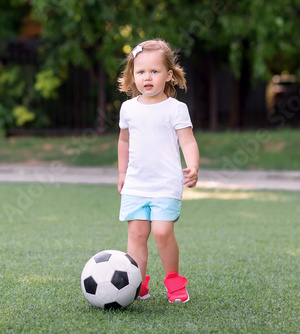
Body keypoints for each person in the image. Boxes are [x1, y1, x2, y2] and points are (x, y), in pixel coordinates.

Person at [117, 39, 199, 303]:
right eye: (140, 72)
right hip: (136, 184)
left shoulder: (176, 109)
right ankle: (137, 283)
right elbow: (124, 141)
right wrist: (122, 173)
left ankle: (174, 280)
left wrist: (193, 166)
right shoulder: (128, 108)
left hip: (166, 184)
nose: (147, 77)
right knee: (137, 234)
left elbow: (188, 140)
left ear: (169, 75)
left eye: (154, 71)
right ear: (132, 76)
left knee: (163, 232)